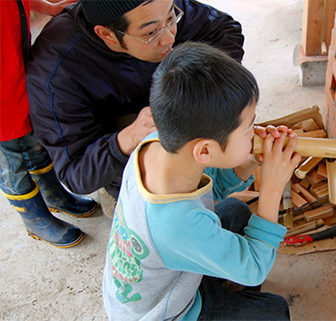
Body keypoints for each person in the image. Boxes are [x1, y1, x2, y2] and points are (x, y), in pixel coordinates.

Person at [102, 42, 301, 320]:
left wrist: (251, 160)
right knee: (273, 311)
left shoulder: (155, 144)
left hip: (168, 270)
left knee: (236, 213)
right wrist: (271, 190)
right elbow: (256, 266)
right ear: (205, 150)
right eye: (247, 130)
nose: (254, 134)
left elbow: (210, 186)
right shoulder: (175, 224)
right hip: (166, 313)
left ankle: (235, 290)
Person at [26, 0, 244, 199]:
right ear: (107, 34)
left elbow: (225, 30)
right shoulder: (56, 71)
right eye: (151, 32)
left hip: (178, 118)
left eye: (171, 18)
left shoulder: (157, 9)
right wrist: (128, 138)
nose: (170, 37)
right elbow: (76, 174)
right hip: (128, 159)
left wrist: (197, 87)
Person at [0, 0, 98, 248]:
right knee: (12, 162)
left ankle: (53, 194)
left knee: (35, 142)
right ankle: (34, 217)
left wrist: (43, 6)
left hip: (15, 71)